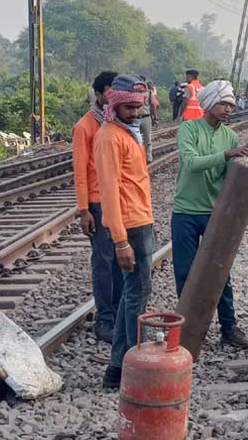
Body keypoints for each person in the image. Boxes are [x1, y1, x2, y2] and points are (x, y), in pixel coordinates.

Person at [172, 80, 248, 349]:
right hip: (186, 211)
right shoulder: (189, 129)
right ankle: (185, 331)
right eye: (224, 104)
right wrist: (228, 154)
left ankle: (229, 327)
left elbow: (231, 174)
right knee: (185, 273)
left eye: (231, 105)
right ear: (209, 103)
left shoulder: (230, 136)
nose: (228, 110)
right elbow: (190, 163)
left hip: (216, 213)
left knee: (221, 273)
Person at [95, 75, 154, 390]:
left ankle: (117, 369)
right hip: (129, 227)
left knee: (133, 294)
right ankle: (137, 368)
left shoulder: (128, 132)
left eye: (138, 107)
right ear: (115, 104)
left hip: (140, 220)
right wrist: (120, 241)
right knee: (137, 296)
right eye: (129, 107)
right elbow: (108, 192)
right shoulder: (109, 138)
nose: (135, 112)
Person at [74, 71, 122, 344]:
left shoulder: (116, 123)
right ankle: (105, 319)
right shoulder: (85, 127)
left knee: (119, 260)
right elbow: (80, 172)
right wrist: (84, 210)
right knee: (104, 262)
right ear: (102, 93)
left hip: (116, 201)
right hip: (97, 203)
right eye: (114, 92)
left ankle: (117, 314)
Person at [137, 77, 159, 162]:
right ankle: (140, 157)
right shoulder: (133, 93)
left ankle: (148, 158)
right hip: (137, 118)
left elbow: (153, 106)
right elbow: (153, 106)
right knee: (138, 139)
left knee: (147, 139)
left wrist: (155, 117)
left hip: (146, 117)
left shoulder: (149, 93)